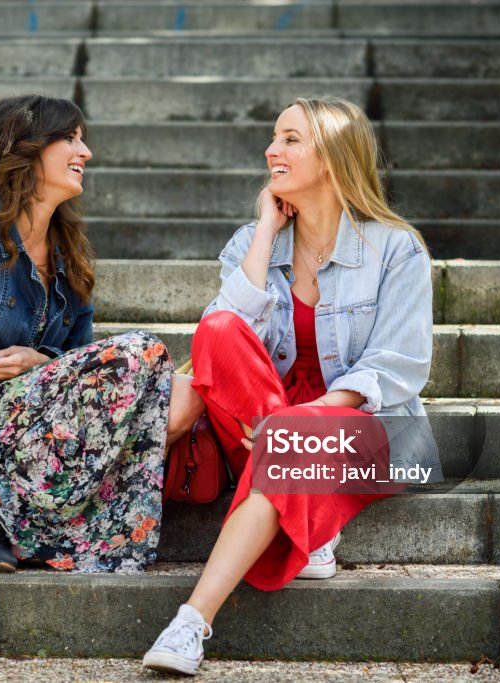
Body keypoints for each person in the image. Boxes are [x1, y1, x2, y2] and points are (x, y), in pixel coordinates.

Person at [142, 96, 444, 675]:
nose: (271, 150)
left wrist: (309, 416)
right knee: (220, 328)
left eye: (289, 139)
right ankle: (311, 520)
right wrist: (264, 229)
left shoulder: (394, 249)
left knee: (287, 444)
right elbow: (219, 345)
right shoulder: (252, 244)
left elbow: (397, 363)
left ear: (331, 156)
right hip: (260, 426)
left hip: (368, 431)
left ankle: (191, 623)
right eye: (274, 138)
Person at [0, 95, 205, 574]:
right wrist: (45, 378)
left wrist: (41, 367)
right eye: (70, 139)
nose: (86, 153)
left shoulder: (69, 254)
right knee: (142, 352)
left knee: (170, 386)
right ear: (25, 149)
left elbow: (83, 381)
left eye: (84, 141)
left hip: (42, 432)